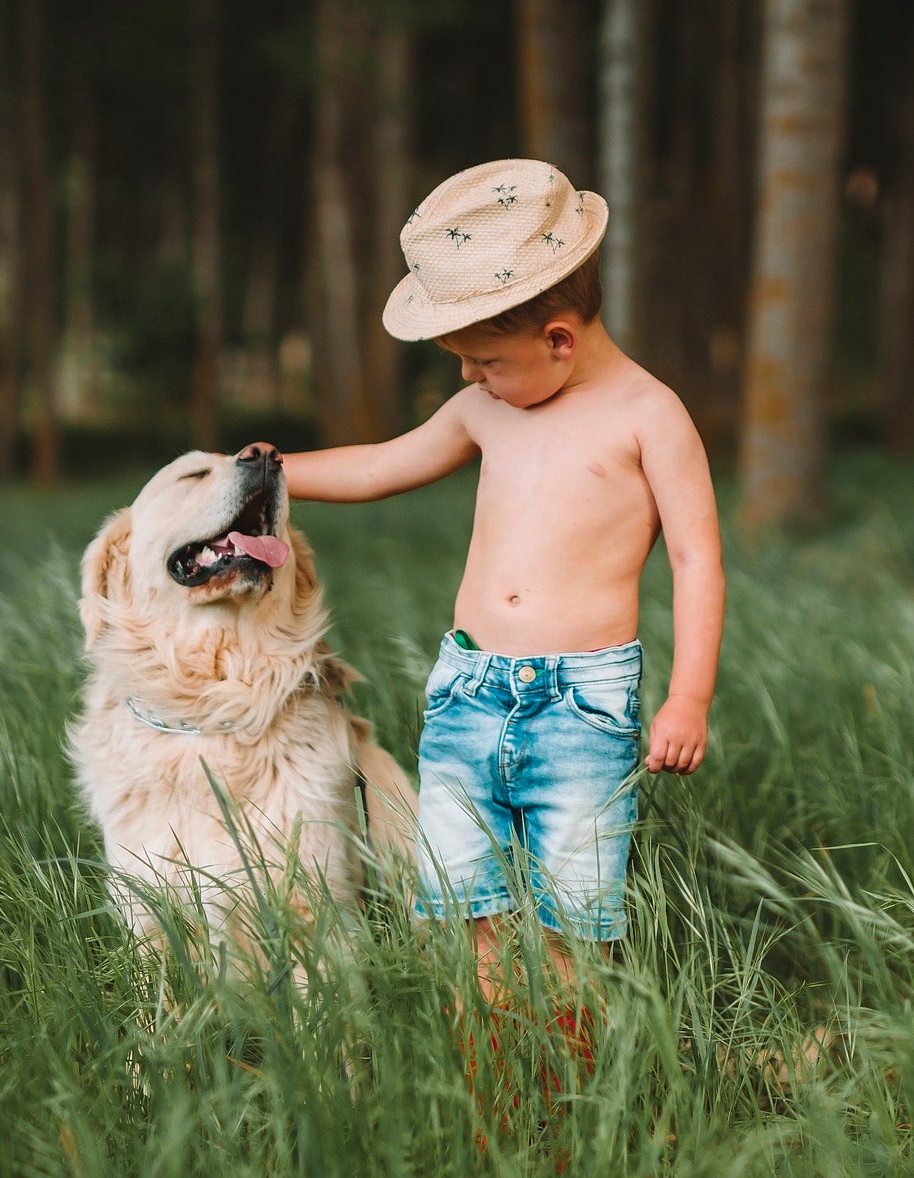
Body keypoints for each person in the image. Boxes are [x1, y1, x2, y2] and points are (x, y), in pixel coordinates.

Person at [255, 158, 723, 1051]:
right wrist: (277, 474)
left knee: (573, 917)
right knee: (469, 901)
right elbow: (385, 463)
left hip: (582, 705)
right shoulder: (490, 409)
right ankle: (488, 1079)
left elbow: (699, 558)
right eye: (464, 361)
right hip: (469, 693)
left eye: (483, 361)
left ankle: (571, 1089)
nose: (470, 377)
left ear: (558, 338)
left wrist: (688, 695)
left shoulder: (648, 415)